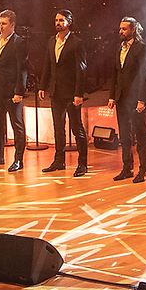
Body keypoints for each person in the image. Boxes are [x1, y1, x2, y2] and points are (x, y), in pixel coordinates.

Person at [40, 9, 89, 177]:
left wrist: (78, 93)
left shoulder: (77, 43)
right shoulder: (51, 41)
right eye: (56, 20)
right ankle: (59, 161)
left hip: (71, 92)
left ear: (69, 22)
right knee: (58, 128)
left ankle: (82, 164)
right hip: (56, 92)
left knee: (77, 128)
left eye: (61, 20)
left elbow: (81, 70)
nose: (58, 23)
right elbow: (47, 65)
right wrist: (42, 86)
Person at [0, 10, 29, 172]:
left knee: (17, 126)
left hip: (11, 92)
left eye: (4, 23)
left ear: (12, 25)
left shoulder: (18, 43)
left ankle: (18, 159)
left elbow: (22, 69)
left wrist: (19, 92)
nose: (0, 26)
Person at [109, 16, 146, 182]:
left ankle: (144, 170)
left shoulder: (142, 49)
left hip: (136, 98)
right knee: (125, 135)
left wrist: (142, 99)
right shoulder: (119, 48)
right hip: (121, 97)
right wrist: (112, 96)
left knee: (140, 134)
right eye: (120, 28)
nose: (121, 31)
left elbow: (145, 76)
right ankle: (127, 168)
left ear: (133, 30)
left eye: (124, 29)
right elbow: (115, 73)